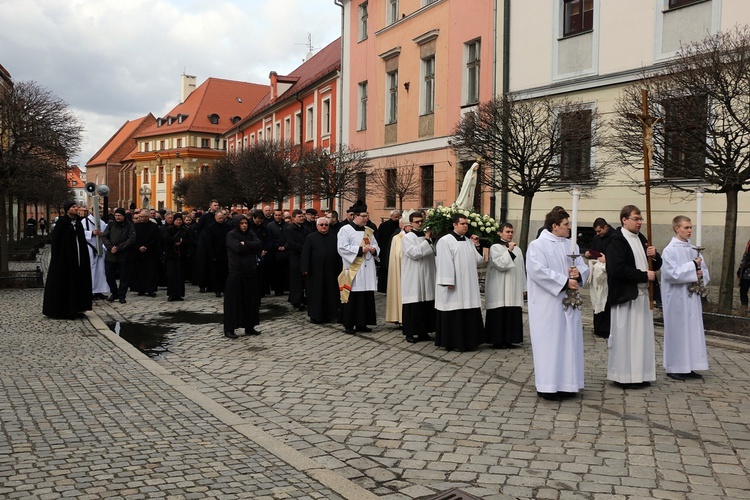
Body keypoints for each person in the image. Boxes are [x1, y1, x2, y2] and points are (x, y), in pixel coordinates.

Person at [526, 208, 589, 400]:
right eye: (566, 225)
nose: (569, 227)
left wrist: (578, 275)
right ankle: (547, 385)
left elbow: (583, 267)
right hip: (548, 305)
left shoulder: (571, 246)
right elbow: (537, 271)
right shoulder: (538, 245)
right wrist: (563, 282)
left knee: (569, 342)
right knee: (550, 343)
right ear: (554, 226)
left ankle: (568, 384)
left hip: (568, 304)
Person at [606, 205, 662, 389]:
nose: (640, 223)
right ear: (624, 219)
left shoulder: (642, 238)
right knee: (626, 338)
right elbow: (617, 269)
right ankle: (624, 375)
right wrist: (643, 275)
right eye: (636, 219)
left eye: (640, 219)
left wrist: (655, 256)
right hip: (626, 297)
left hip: (643, 296)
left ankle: (641, 373)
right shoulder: (617, 241)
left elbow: (655, 263)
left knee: (642, 338)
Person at [661, 215, 709, 380]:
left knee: (692, 331)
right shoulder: (670, 250)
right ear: (677, 228)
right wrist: (693, 266)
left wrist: (701, 273)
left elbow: (704, 271)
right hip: (676, 298)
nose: (689, 230)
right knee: (678, 331)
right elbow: (671, 274)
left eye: (690, 227)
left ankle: (690, 365)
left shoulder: (693, 249)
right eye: (686, 227)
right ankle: (674, 366)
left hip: (691, 298)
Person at [434, 213, 484, 351]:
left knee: (468, 310)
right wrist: (448, 280)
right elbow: (444, 262)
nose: (465, 226)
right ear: (454, 224)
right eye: (462, 223)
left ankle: (470, 341)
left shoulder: (468, 241)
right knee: (454, 310)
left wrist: (477, 245)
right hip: (454, 285)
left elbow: (478, 260)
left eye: (466, 224)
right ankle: (454, 342)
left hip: (468, 284)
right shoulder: (445, 241)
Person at [42, 201, 92, 319]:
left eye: (76, 206)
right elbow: (57, 242)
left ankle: (77, 307)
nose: (76, 208)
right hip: (65, 259)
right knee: (64, 282)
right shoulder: (62, 223)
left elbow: (81, 239)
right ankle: (62, 309)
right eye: (73, 207)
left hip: (78, 257)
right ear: (67, 209)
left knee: (77, 280)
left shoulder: (79, 222)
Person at [337, 201, 380, 334]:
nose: (366, 218)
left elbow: (376, 245)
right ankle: (349, 324)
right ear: (355, 216)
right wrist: (360, 249)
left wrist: (374, 250)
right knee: (354, 296)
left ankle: (362, 323)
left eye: (367, 216)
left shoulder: (369, 231)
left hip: (367, 269)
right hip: (354, 268)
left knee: (366, 296)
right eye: (363, 216)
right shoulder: (345, 230)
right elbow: (342, 248)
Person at [485, 222, 526, 349]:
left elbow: (521, 269)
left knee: (512, 311)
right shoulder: (495, 247)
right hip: (499, 286)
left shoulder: (517, 249)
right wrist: (509, 250)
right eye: (507, 232)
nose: (510, 234)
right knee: (500, 311)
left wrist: (524, 288)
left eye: (511, 232)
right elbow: (500, 264)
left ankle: (510, 338)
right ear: (500, 233)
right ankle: (497, 340)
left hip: (514, 286)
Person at [223, 214, 263, 338]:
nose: (244, 225)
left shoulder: (251, 234)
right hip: (237, 272)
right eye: (241, 223)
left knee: (250, 301)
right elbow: (238, 249)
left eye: (245, 223)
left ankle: (249, 326)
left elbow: (259, 245)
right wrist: (249, 246)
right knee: (233, 302)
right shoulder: (231, 235)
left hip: (250, 272)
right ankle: (230, 328)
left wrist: (245, 243)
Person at [401, 211, 436, 343]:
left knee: (426, 303)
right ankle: (410, 332)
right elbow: (414, 253)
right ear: (411, 223)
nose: (420, 224)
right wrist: (427, 240)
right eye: (417, 222)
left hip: (427, 272)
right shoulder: (407, 238)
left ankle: (424, 332)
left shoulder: (428, 236)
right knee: (413, 304)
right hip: (413, 275)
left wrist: (429, 240)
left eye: (421, 221)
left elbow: (433, 251)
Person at [301, 217, 342, 323]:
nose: (324, 227)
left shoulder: (334, 237)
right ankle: (315, 315)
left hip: (331, 271)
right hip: (315, 271)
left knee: (331, 293)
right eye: (321, 225)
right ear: (317, 226)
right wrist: (305, 268)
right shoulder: (310, 237)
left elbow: (338, 254)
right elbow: (305, 254)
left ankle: (331, 315)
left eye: (326, 225)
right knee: (316, 293)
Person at [585, 218, 617, 339]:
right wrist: (589, 254)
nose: (598, 234)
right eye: (596, 232)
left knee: (605, 299)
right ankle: (598, 327)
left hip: (608, 274)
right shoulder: (596, 238)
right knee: (597, 298)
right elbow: (595, 251)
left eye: (599, 231)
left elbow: (616, 255)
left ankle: (607, 329)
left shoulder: (614, 237)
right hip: (598, 272)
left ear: (605, 227)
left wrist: (607, 259)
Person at [102, 207, 136, 303]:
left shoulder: (129, 225)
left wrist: (119, 247)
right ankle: (114, 292)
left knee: (124, 276)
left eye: (119, 215)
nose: (117, 217)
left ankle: (122, 295)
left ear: (123, 216)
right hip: (111, 255)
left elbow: (131, 239)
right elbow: (104, 237)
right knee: (109, 275)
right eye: (116, 215)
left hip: (124, 255)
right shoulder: (111, 224)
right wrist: (110, 247)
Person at [79, 206, 109, 299]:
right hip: (90, 248)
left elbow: (106, 233)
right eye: (97, 210)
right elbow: (81, 233)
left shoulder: (102, 222)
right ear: (91, 211)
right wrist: (91, 233)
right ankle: (90, 291)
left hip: (100, 248)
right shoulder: (85, 221)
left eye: (100, 211)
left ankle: (98, 290)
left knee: (101, 270)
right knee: (91, 270)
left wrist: (102, 234)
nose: (99, 212)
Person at [130, 209, 161, 297]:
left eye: (142, 217)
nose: (140, 218)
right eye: (139, 217)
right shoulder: (135, 226)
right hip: (138, 252)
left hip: (150, 252)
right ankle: (141, 289)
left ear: (147, 217)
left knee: (151, 272)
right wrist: (139, 247)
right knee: (140, 271)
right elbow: (133, 238)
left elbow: (155, 239)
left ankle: (150, 289)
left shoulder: (154, 226)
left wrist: (147, 247)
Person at [385, 216, 410, 326]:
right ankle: (400, 317)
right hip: (401, 271)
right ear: (404, 226)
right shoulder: (397, 238)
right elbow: (398, 255)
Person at [164, 212, 192, 301]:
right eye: (177, 220)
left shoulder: (185, 230)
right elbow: (166, 239)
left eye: (180, 220)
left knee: (180, 276)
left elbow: (189, 241)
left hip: (181, 256)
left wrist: (181, 241)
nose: (178, 222)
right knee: (172, 275)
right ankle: (172, 294)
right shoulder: (169, 229)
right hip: (171, 256)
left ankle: (179, 294)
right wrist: (175, 240)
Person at [203, 210, 231, 297]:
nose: (221, 219)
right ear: (215, 218)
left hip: (225, 254)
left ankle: (225, 289)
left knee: (225, 273)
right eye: (219, 218)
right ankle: (217, 290)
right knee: (216, 273)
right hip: (215, 254)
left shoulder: (227, 227)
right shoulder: (210, 228)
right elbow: (209, 243)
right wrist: (212, 255)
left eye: (222, 218)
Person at [284, 209, 309, 311]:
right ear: (293, 218)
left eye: (302, 216)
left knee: (306, 279)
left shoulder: (306, 229)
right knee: (296, 280)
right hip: (295, 257)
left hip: (305, 256)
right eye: (299, 216)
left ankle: (305, 299)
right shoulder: (289, 229)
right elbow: (291, 243)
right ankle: (297, 300)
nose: (301, 218)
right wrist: (304, 249)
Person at [377, 210, 402, 293]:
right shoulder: (383, 226)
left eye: (398, 217)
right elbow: (379, 239)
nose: (397, 219)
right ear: (391, 217)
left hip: (394, 250)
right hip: (384, 250)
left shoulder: (399, 227)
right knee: (384, 270)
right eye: (395, 217)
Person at [266, 209, 289, 296]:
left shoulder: (287, 225)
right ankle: (277, 289)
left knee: (285, 271)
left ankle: (284, 288)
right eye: (276, 215)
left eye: (279, 215)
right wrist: (277, 246)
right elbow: (270, 238)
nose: (278, 217)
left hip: (285, 251)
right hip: (275, 252)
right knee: (276, 272)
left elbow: (289, 237)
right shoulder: (270, 225)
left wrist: (285, 246)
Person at [738, 238, 750, 315]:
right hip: (746, 273)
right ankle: (744, 310)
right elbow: (745, 256)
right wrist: (740, 269)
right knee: (743, 291)